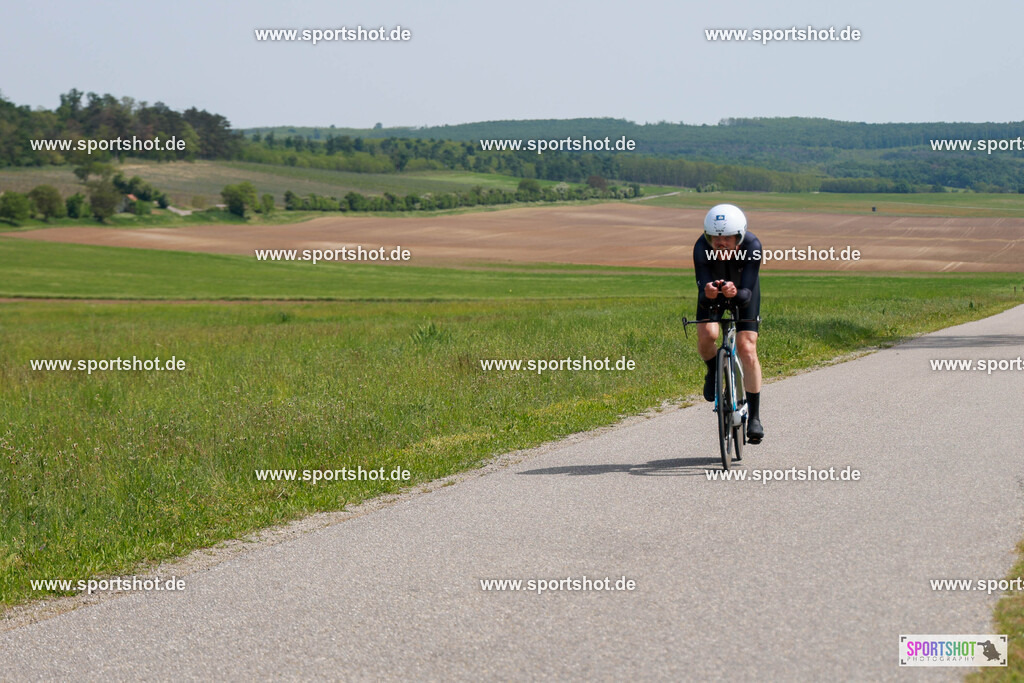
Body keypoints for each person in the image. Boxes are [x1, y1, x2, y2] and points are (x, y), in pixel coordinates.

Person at [692, 203, 764, 443]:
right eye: (714, 238)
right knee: (706, 336)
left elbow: (748, 294)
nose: (719, 244)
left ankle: (754, 417)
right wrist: (709, 290)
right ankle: (713, 370)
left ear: (739, 238)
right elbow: (702, 287)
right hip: (714, 295)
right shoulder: (701, 248)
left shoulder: (753, 246)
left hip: (743, 294)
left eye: (726, 239)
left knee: (747, 347)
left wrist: (736, 292)